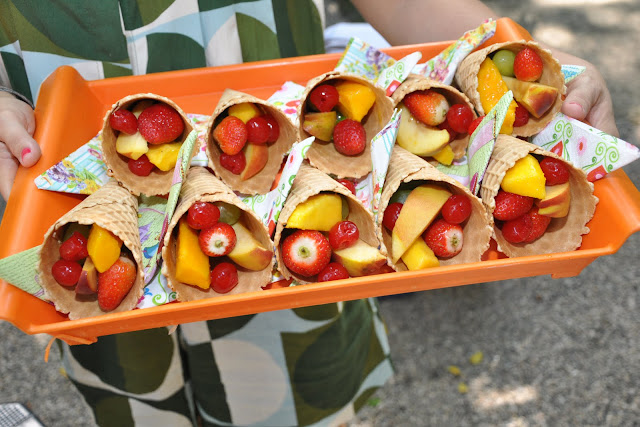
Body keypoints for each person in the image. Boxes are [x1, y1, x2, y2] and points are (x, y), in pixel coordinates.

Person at [0, 1, 619, 426]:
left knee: (297, 391)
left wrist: (509, 52)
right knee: (134, 400)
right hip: (61, 164)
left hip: (299, 153)